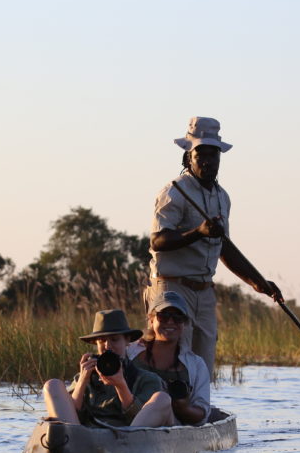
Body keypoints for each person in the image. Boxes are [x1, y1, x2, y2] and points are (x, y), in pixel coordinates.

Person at [145, 116, 283, 376]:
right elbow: (158, 241)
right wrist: (198, 232)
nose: (208, 161)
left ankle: (198, 411)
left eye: (214, 155)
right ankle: (165, 409)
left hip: (204, 292)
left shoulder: (222, 197)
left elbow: (224, 248)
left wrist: (258, 283)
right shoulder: (174, 192)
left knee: (202, 365)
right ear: (189, 157)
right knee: (174, 361)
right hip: (172, 287)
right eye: (201, 155)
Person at [42, 309, 173, 427]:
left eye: (114, 340)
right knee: (52, 385)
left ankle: (126, 444)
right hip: (82, 438)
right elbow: (71, 414)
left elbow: (143, 419)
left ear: (127, 341)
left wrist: (121, 386)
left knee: (163, 398)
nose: (108, 346)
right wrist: (82, 381)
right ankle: (68, 445)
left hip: (128, 438)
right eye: (102, 341)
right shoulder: (85, 375)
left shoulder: (146, 379)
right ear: (96, 344)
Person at [128, 291, 211, 426]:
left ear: (184, 323)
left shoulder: (196, 364)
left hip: (171, 427)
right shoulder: (130, 352)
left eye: (178, 317)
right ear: (151, 319)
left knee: (161, 399)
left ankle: (128, 439)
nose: (171, 321)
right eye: (164, 316)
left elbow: (202, 414)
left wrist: (183, 408)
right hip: (128, 415)